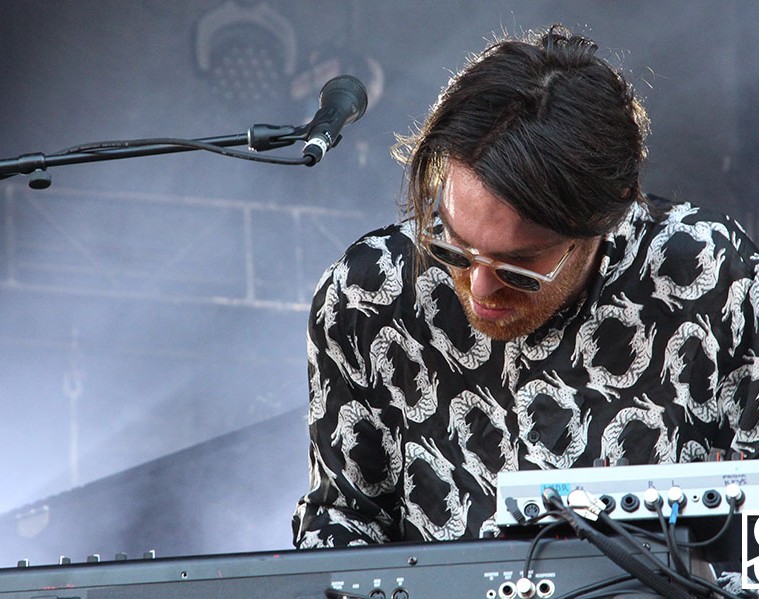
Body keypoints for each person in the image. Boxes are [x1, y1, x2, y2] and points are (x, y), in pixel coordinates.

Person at [291, 24, 759, 550]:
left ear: (606, 219)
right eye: (454, 246)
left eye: (518, 266)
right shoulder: (369, 293)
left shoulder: (711, 276)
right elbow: (343, 519)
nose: (480, 287)